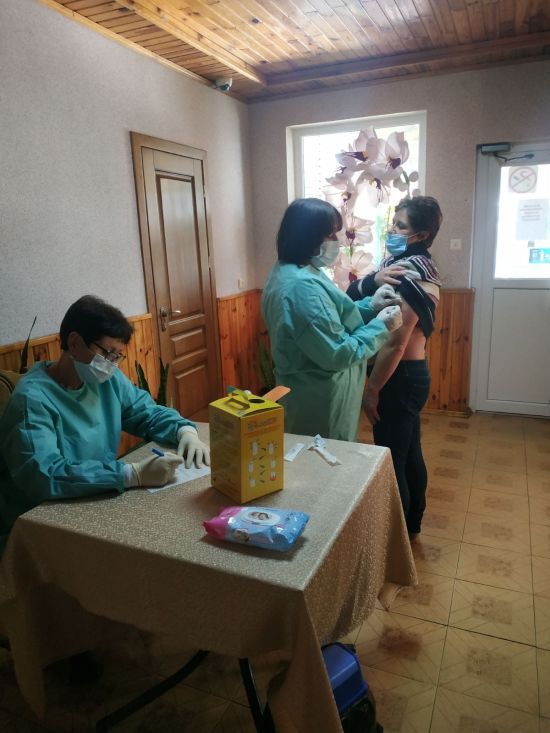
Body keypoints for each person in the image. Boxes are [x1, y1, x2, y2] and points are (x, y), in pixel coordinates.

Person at [0, 295, 210, 552]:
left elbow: (145, 412)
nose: (111, 365)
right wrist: (130, 474)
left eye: (117, 356)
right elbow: (43, 475)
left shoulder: (106, 380)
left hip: (98, 496)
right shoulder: (32, 400)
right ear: (74, 342)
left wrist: (183, 430)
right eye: (108, 353)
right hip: (38, 523)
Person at [261, 198, 403, 441]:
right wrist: (380, 326)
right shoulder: (301, 287)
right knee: (323, 457)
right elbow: (337, 352)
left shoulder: (295, 271)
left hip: (312, 392)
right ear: (306, 236)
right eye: (330, 235)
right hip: (319, 401)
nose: (336, 241)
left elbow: (330, 317)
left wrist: (370, 306)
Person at [348, 196, 443, 538]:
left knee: (393, 459)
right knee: (409, 451)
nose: (392, 230)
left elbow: (395, 342)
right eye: (393, 222)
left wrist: (372, 390)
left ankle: (396, 538)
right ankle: (412, 523)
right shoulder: (415, 267)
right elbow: (355, 292)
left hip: (398, 377)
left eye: (401, 226)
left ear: (422, 234)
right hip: (410, 376)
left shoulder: (409, 273)